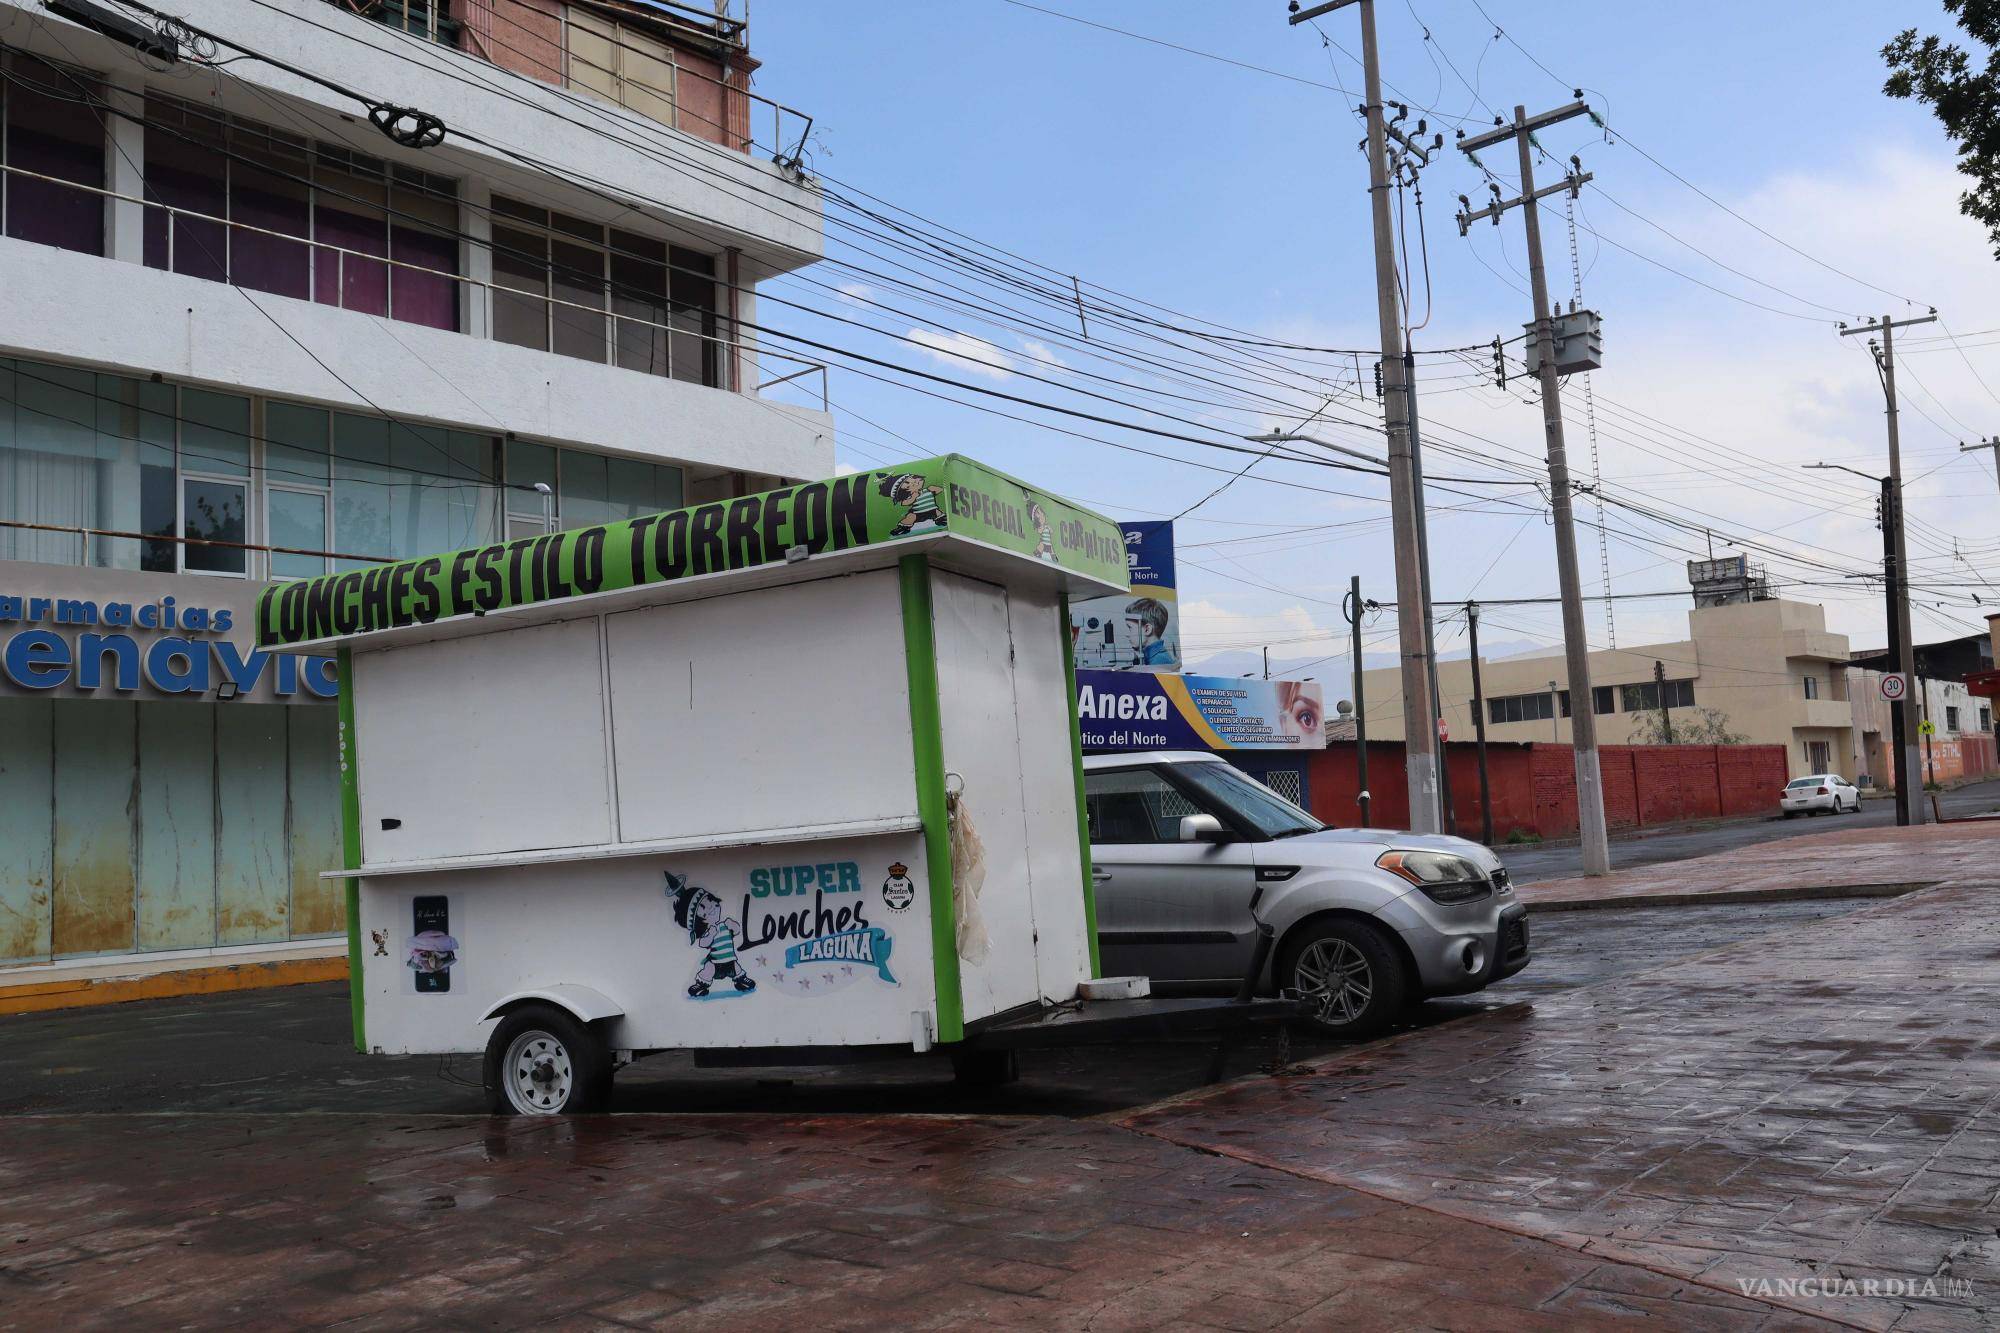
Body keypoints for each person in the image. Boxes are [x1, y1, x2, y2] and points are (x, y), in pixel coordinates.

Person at [1123, 597, 1176, 668]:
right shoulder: (1151, 657)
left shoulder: (1159, 661)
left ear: (1147, 630)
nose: (1126, 634)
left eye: (1130, 628)